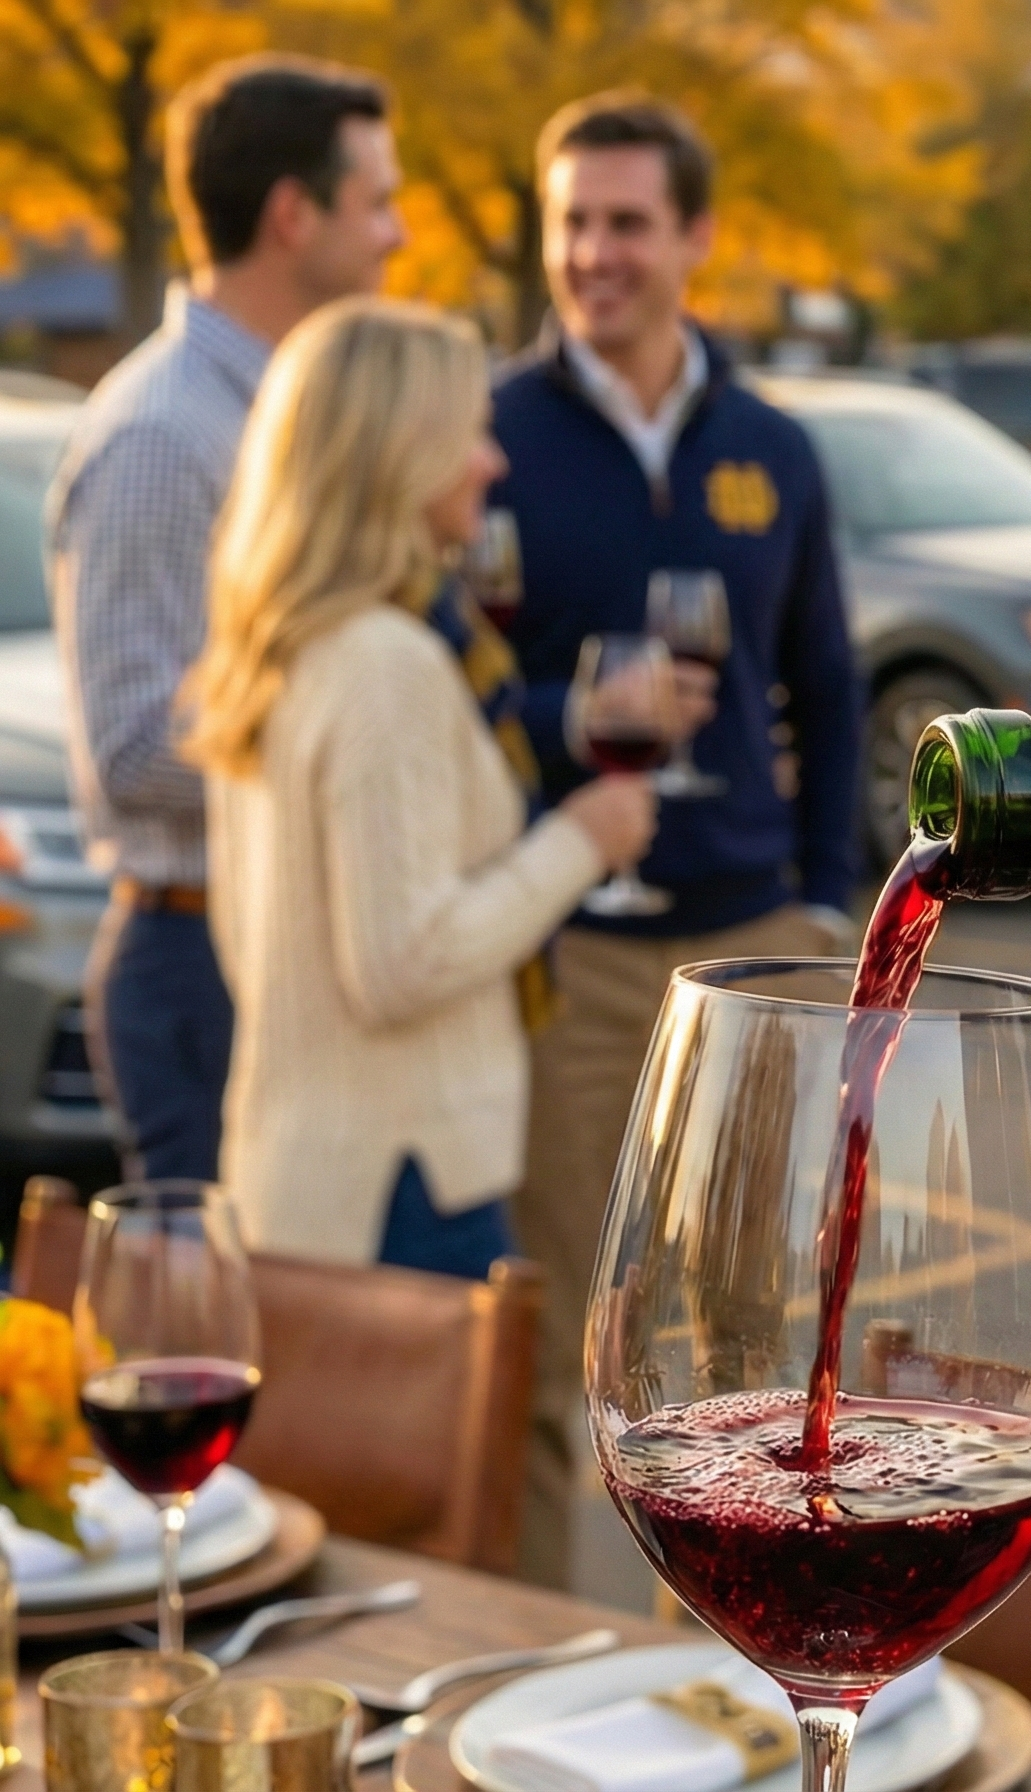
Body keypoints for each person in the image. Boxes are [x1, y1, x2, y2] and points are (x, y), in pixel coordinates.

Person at [491, 91, 862, 1587]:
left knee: (736, 1365)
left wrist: (830, 903)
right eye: (572, 221)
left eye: (627, 223)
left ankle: (722, 1698)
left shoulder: (772, 445)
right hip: (564, 952)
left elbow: (828, 689)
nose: (594, 255)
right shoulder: (491, 435)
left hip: (749, 957)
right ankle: (500, 1657)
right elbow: (450, 684)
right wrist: (574, 703)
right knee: (537, 1343)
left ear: (697, 238)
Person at [183, 299, 655, 1273]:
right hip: (400, 1185)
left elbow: (256, 936)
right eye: (470, 430)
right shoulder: (383, 662)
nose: (494, 459)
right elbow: (399, 963)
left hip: (309, 1172)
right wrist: (583, 840)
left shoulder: (287, 644)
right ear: (401, 449)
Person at [47, 54, 402, 1182]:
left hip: (270, 938)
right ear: (293, 216)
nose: (398, 235)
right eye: (377, 203)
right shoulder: (164, 436)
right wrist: (347, 753)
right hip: (197, 952)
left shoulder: (282, 416)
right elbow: (135, 753)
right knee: (219, 1349)